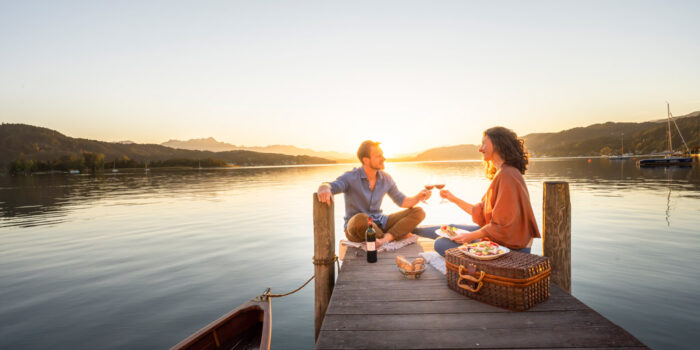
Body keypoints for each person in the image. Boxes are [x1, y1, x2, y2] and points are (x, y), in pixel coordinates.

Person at [415, 126, 541, 256]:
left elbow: (504, 225)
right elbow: (480, 213)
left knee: (441, 243)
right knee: (448, 229)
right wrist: (453, 199)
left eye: (484, 144)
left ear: (498, 144)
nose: (480, 149)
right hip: (501, 238)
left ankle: (480, 264)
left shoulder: (508, 175)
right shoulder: (503, 172)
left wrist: (470, 237)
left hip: (512, 248)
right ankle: (411, 232)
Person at [317, 140, 431, 247]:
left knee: (418, 211)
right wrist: (324, 186)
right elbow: (333, 185)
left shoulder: (386, 178)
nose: (383, 158)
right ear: (366, 160)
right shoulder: (350, 177)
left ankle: (384, 239)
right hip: (357, 227)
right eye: (378, 156)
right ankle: (396, 235)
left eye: (382, 155)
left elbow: (402, 201)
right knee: (361, 219)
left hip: (380, 222)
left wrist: (418, 197)